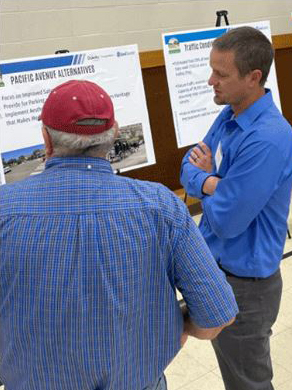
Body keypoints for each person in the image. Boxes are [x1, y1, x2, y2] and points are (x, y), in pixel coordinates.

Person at [0, 79, 238, 389]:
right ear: (113, 136)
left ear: (46, 140)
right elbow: (216, 317)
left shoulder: (5, 210)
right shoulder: (161, 206)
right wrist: (170, 324)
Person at [180, 26, 292, 390]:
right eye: (212, 69)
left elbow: (228, 220)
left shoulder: (267, 138)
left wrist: (207, 179)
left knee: (248, 381)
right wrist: (213, 183)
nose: (210, 81)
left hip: (245, 287)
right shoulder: (231, 114)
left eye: (221, 74)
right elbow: (188, 167)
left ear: (253, 77)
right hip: (218, 269)